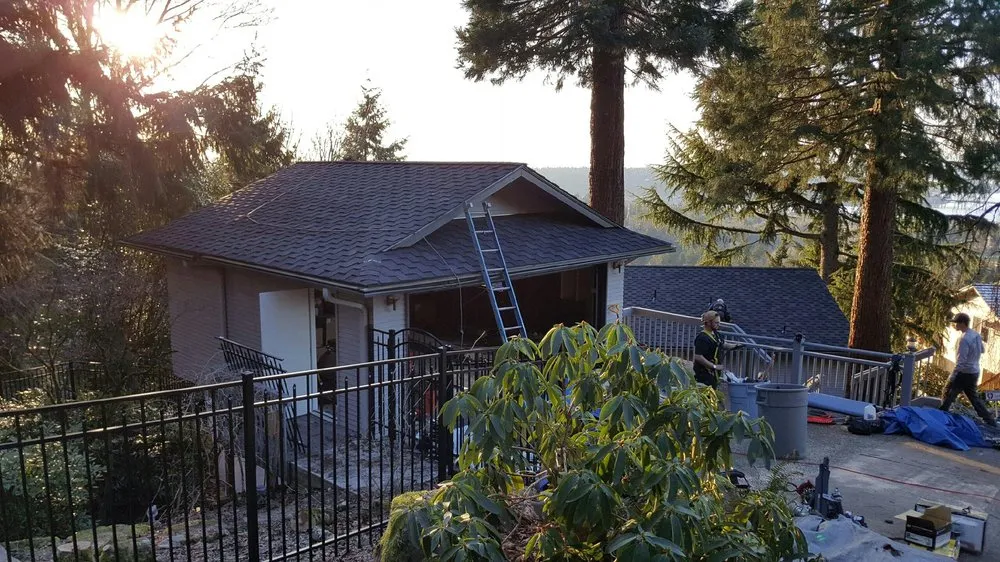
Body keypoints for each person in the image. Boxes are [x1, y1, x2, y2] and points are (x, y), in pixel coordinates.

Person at [940, 313, 997, 427]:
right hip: (974, 372)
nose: (954, 325)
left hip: (964, 372)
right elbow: (982, 350)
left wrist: (953, 376)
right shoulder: (975, 334)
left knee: (948, 393)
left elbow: (961, 361)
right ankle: (991, 422)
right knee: (974, 398)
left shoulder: (964, 339)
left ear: (962, 323)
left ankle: (940, 418)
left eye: (956, 323)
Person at [693, 310, 740, 389]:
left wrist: (735, 346)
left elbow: (721, 344)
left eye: (719, 322)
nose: (718, 325)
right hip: (704, 374)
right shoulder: (702, 338)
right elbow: (698, 356)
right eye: (716, 323)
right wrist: (714, 366)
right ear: (708, 323)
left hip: (714, 373)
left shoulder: (716, 334)